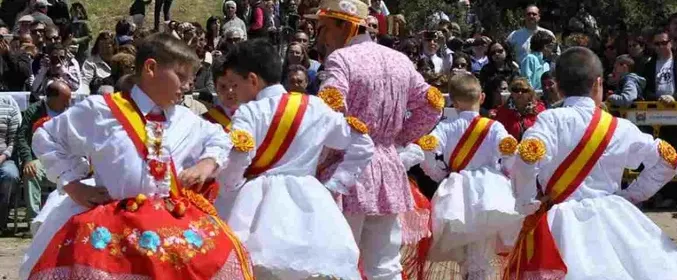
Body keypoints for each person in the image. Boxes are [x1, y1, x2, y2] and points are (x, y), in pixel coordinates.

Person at [20, 32, 253, 279]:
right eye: (181, 76)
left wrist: (207, 163)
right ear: (151, 68)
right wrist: (73, 185)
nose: (188, 85)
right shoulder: (102, 111)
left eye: (191, 78)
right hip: (115, 228)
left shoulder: (185, 119)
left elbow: (219, 138)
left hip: (170, 226)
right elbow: (47, 137)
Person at [505, 47, 677, 279]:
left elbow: (526, 157)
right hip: (615, 215)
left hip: (560, 220)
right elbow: (666, 158)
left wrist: (526, 201)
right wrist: (632, 195)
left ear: (558, 86)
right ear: (598, 83)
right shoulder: (619, 127)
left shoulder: (550, 120)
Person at [215, 38, 372, 279]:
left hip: (257, 203)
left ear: (253, 80)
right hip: (311, 200)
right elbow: (361, 144)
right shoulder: (316, 107)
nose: (233, 92)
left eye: (236, 84)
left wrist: (231, 191)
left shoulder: (250, 112)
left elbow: (238, 158)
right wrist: (335, 185)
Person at [310, 0, 444, 277]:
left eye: (322, 28)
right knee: (385, 264)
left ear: (344, 25)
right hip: (388, 167)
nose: (319, 38)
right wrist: (397, 139)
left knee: (338, 258)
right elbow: (433, 104)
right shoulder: (399, 60)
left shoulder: (341, 59)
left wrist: (318, 159)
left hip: (346, 169)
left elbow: (329, 111)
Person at [417, 73, 520, 279]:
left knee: (464, 250)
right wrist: (506, 176)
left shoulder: (446, 127)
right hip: (490, 191)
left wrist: (439, 175)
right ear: (481, 97)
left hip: (457, 192)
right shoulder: (494, 127)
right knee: (482, 248)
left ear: (453, 102)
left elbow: (427, 152)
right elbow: (510, 155)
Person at [15, 79, 70, 232]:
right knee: (31, 172)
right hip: (41, 159)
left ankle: (69, 221)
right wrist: (27, 160)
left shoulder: (70, 112)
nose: (68, 103)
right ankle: (36, 222)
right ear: (52, 98)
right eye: (64, 100)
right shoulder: (35, 111)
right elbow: (21, 137)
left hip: (67, 159)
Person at [0, 89, 20, 234]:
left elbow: (14, 141)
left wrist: (3, 156)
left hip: (4, 158)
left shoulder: (8, 105)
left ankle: (1, 221)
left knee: (10, 175)